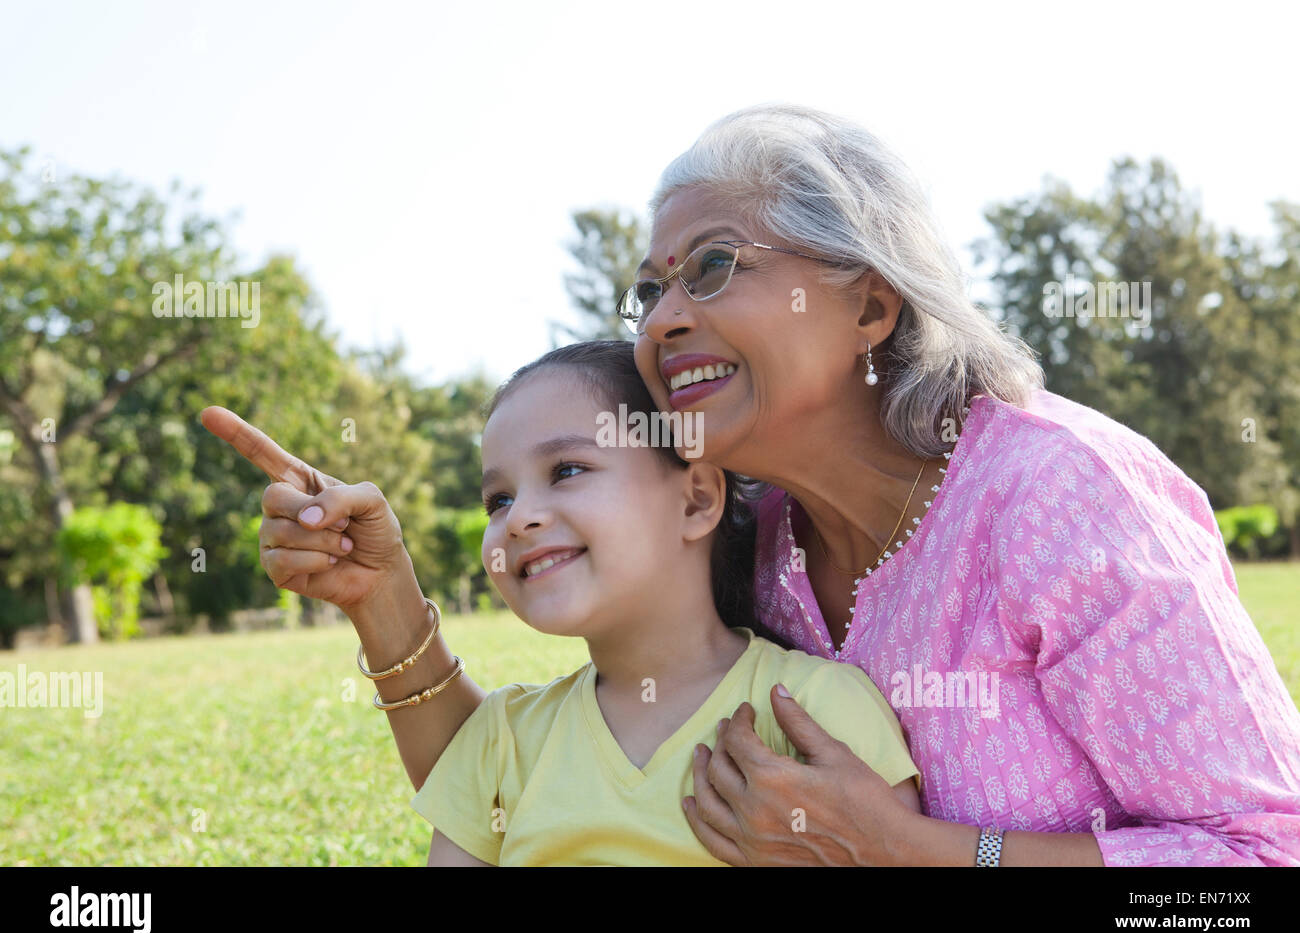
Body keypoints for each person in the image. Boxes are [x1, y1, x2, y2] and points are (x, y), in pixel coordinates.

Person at [619, 102, 1300, 866]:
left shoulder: (1062, 494)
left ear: (868, 306)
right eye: (648, 293)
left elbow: (1258, 864)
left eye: (713, 265)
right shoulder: (747, 553)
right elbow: (568, 736)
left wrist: (905, 849)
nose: (660, 322)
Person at [203, 340, 921, 866]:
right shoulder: (499, 741)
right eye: (499, 497)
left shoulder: (817, 714)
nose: (518, 519)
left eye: (568, 469)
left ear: (697, 497)